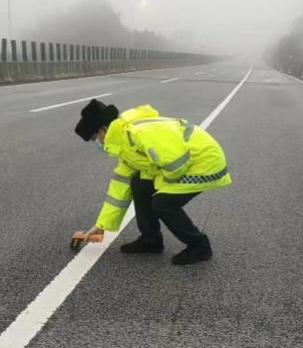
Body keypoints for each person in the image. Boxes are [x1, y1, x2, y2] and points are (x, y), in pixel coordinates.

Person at [74, 99, 232, 265]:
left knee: (163, 203)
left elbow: (176, 164)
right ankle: (151, 240)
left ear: (103, 130)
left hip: (203, 164)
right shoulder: (124, 142)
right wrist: (101, 225)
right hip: (185, 164)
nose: (97, 144)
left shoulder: (139, 132)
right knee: (138, 183)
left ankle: (199, 246)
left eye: (94, 138)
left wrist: (159, 188)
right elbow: (119, 189)